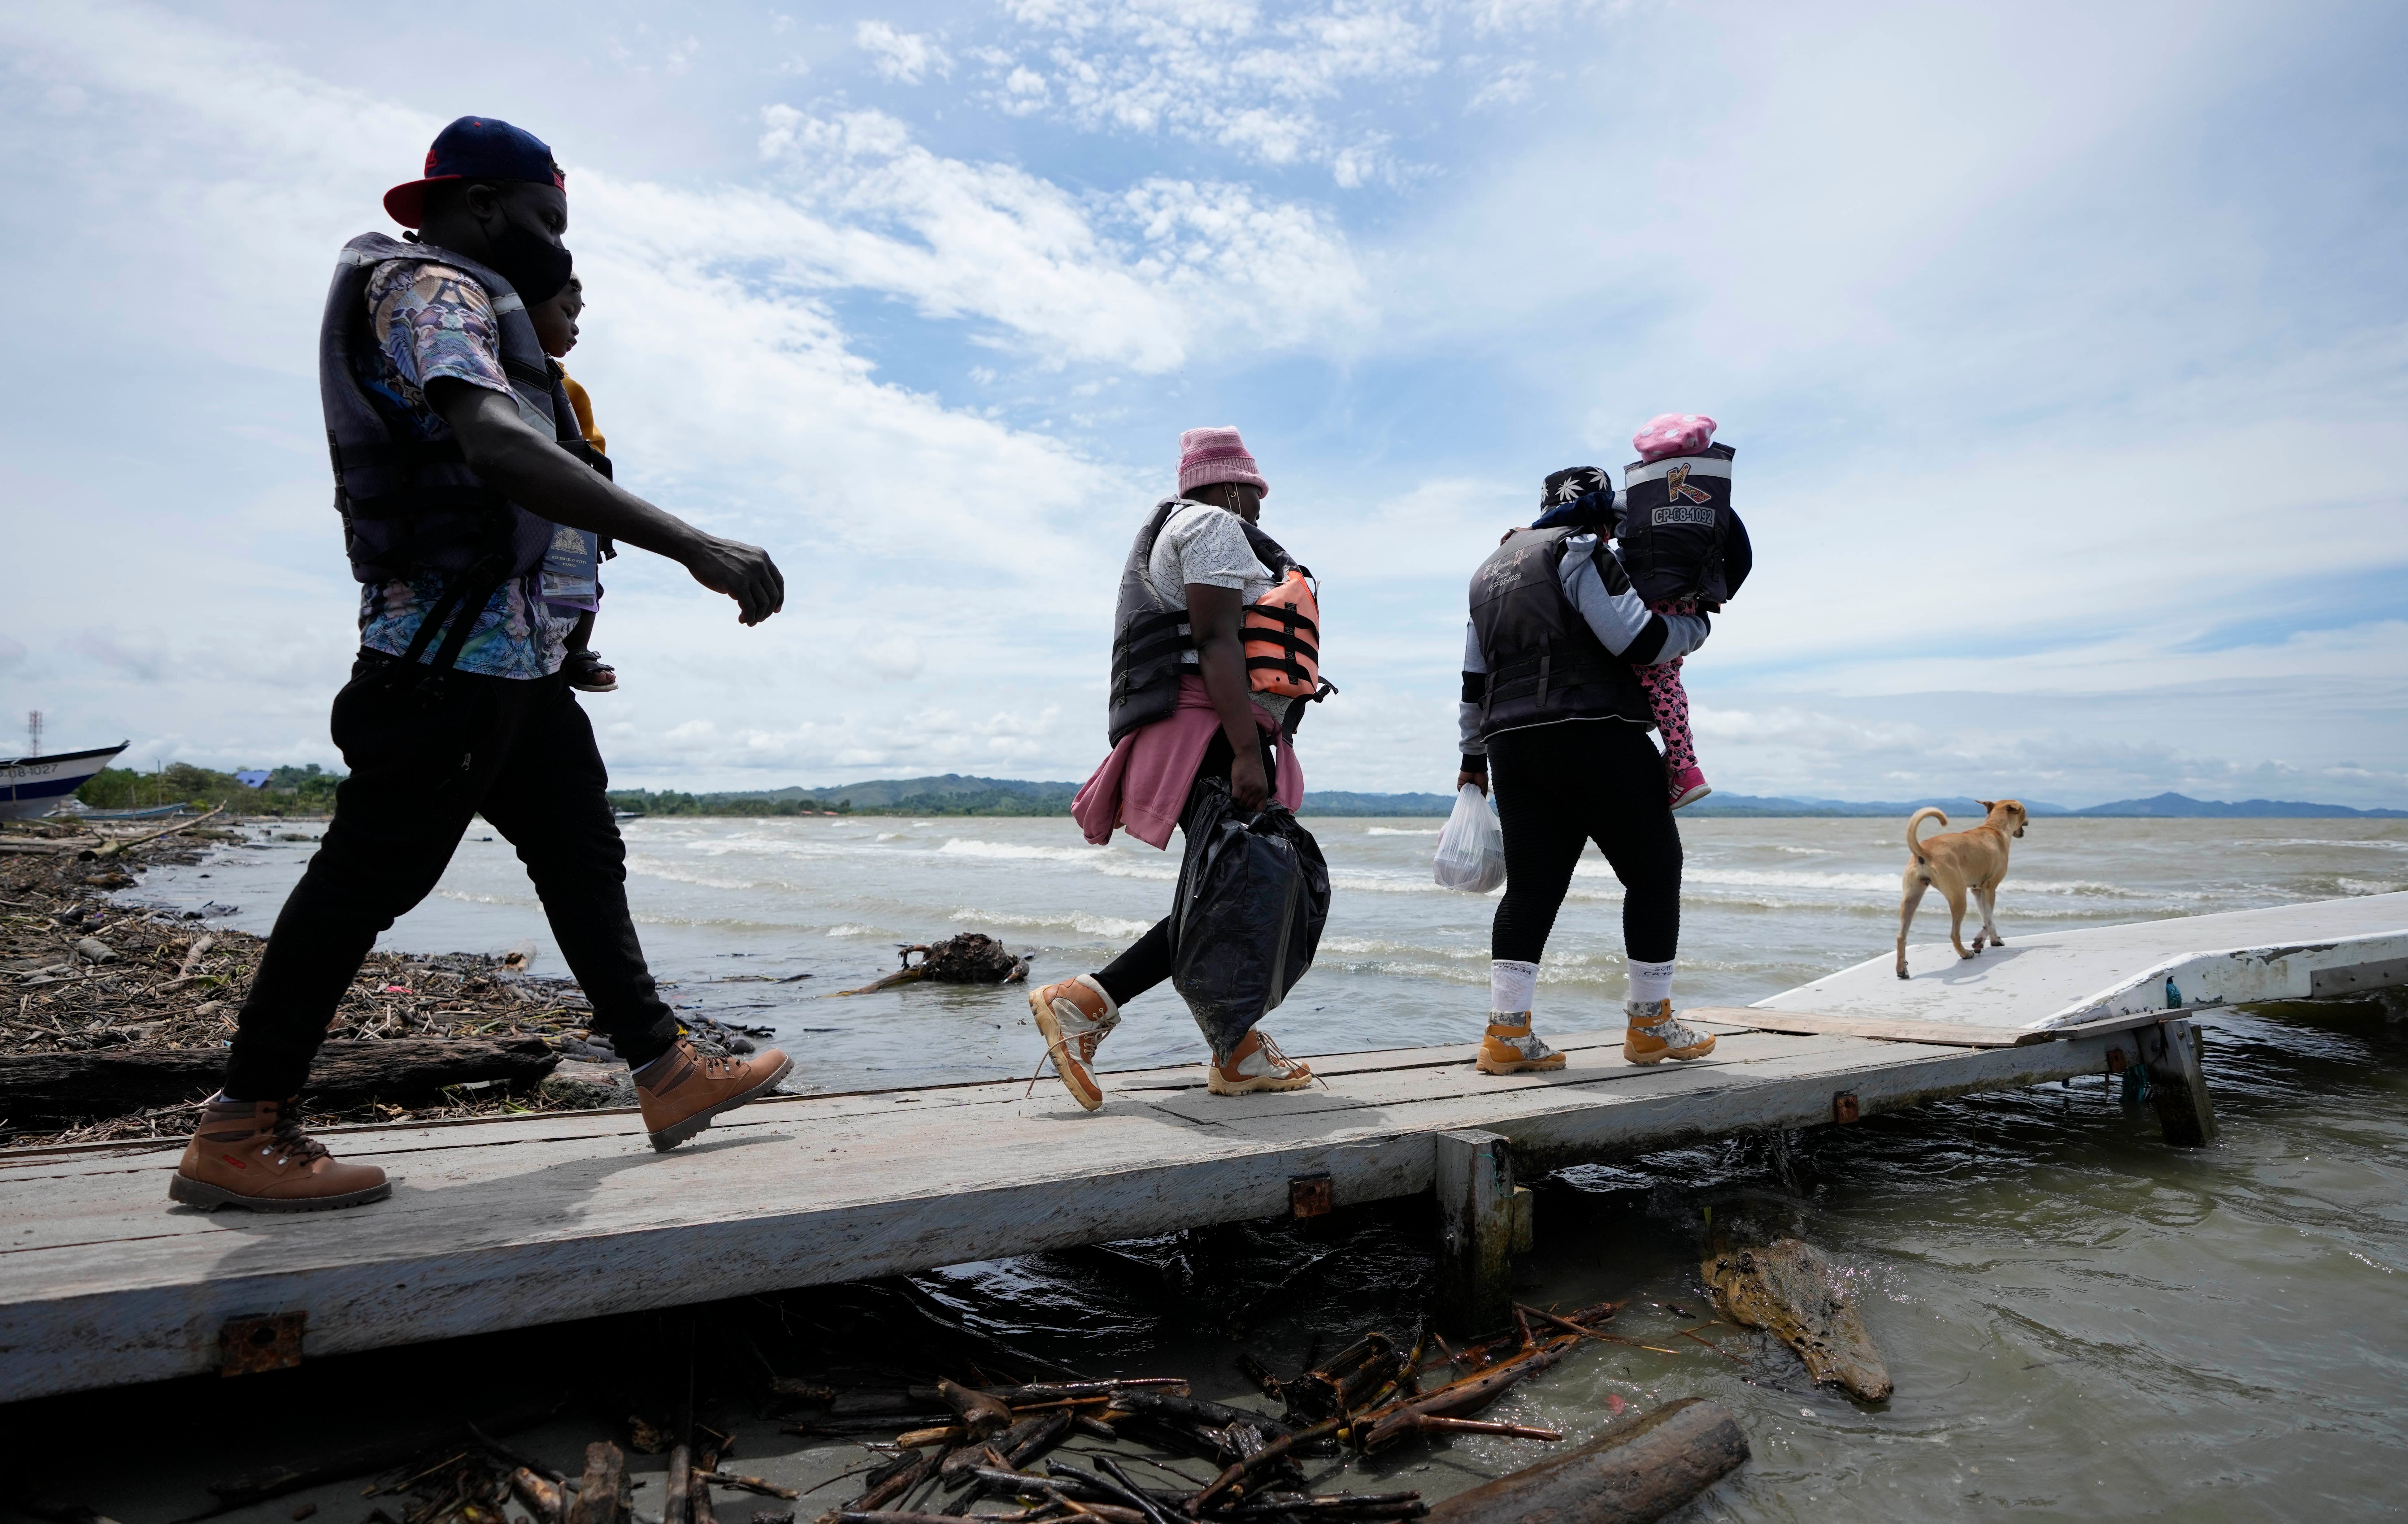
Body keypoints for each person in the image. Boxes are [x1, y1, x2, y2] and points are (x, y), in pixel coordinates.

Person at [169, 116, 791, 1214]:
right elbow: (497, 446)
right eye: (546, 220)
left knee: (579, 848)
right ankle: (240, 1126)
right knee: (369, 876)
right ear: (486, 206)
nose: (556, 251)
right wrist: (697, 543)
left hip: (509, 662)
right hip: (442, 661)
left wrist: (567, 648)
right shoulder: (432, 290)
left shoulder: (462, 291)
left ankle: (664, 1070)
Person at [1029, 426, 1327, 1110]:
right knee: (1240, 892)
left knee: (1234, 890)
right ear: (1231, 485)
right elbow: (1217, 639)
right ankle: (1084, 1002)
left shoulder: (1182, 526)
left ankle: (1238, 1048)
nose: (1257, 509)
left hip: (1207, 733)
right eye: (1253, 493)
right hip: (1214, 737)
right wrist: (1248, 754)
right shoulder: (1215, 526)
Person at [1455, 464, 1721, 1075]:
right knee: (1656, 870)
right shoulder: (1580, 554)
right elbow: (1637, 640)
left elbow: (1473, 678)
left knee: (1532, 886)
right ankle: (1651, 1025)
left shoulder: (1487, 574)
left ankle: (1507, 1033)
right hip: (1592, 731)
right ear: (1601, 514)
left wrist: (1472, 758)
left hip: (1511, 745)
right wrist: (1695, 627)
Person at [526, 274, 619, 694]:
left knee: (580, 582)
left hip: (570, 507)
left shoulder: (568, 386)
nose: (575, 328)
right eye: (567, 313)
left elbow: (592, 445)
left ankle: (576, 648)